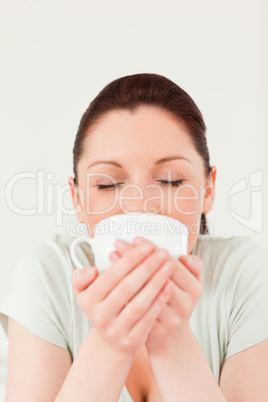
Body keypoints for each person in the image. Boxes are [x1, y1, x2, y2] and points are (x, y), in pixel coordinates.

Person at [1, 73, 268, 402]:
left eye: (171, 181)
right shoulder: (47, 274)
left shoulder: (247, 274)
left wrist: (172, 341)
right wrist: (108, 345)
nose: (140, 207)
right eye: (108, 185)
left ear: (208, 190)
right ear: (78, 200)